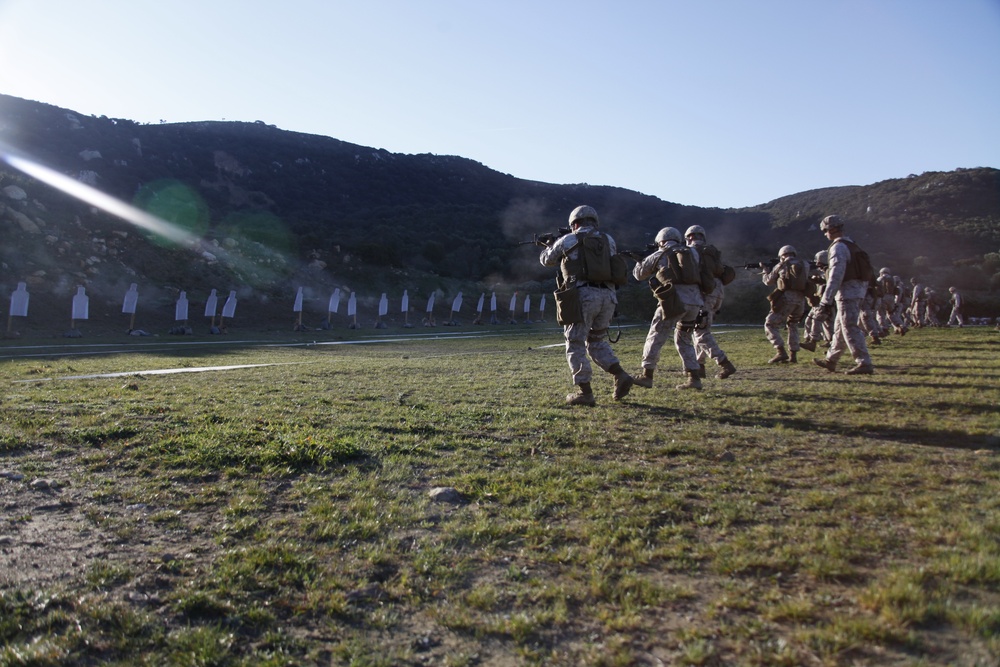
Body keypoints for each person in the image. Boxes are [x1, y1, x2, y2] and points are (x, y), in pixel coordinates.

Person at [539, 205, 633, 406]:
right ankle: (620, 375)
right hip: (608, 296)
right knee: (596, 341)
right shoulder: (609, 240)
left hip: (583, 296)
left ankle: (585, 392)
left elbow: (547, 260)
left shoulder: (568, 240)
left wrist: (549, 244)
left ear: (574, 222)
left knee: (575, 342)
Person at [632, 227, 706, 390]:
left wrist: (640, 260)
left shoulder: (660, 254)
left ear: (661, 241)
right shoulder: (691, 252)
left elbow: (639, 275)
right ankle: (694, 378)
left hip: (673, 301)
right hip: (695, 301)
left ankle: (647, 375)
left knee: (656, 335)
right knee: (684, 339)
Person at [811, 215, 874, 375]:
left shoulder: (838, 247)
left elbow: (835, 276)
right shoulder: (852, 245)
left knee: (849, 327)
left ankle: (864, 362)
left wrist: (825, 301)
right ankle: (831, 360)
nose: (825, 234)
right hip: (858, 291)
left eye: (825, 231)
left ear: (831, 229)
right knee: (839, 328)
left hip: (847, 293)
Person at [685, 225, 737, 379]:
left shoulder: (691, 251)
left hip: (704, 293)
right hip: (718, 292)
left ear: (689, 237)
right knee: (699, 329)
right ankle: (699, 366)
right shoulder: (711, 251)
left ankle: (724, 363)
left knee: (700, 331)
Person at [761, 245, 809, 363]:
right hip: (801, 300)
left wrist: (765, 271)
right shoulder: (805, 264)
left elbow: (768, 281)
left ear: (782, 255)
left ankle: (780, 351)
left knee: (770, 324)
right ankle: (793, 356)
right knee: (792, 325)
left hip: (787, 299)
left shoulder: (781, 265)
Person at [800, 250, 831, 352]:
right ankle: (810, 340)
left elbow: (828, 282)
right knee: (812, 321)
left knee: (818, 320)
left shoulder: (829, 271)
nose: (818, 264)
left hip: (827, 302)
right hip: (820, 301)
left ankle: (813, 342)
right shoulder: (824, 271)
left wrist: (817, 279)